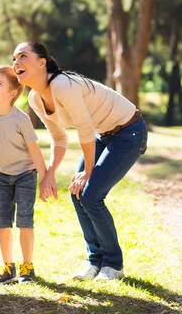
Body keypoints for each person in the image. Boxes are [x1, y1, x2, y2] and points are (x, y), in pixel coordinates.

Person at [11, 41, 148, 281]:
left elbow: (83, 129)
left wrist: (88, 171)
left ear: (42, 62)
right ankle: (94, 261)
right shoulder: (35, 98)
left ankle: (113, 265)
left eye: (23, 56)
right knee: (78, 194)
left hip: (129, 131)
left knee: (91, 195)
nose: (16, 62)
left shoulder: (62, 85)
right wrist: (50, 173)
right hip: (104, 134)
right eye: (14, 58)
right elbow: (58, 138)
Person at [0, 66, 53, 285]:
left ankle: (27, 267)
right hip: (0, 175)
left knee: (25, 221)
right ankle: (7, 267)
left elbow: (34, 151)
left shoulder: (20, 119)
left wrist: (45, 178)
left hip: (25, 175)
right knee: (2, 222)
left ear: (11, 94)